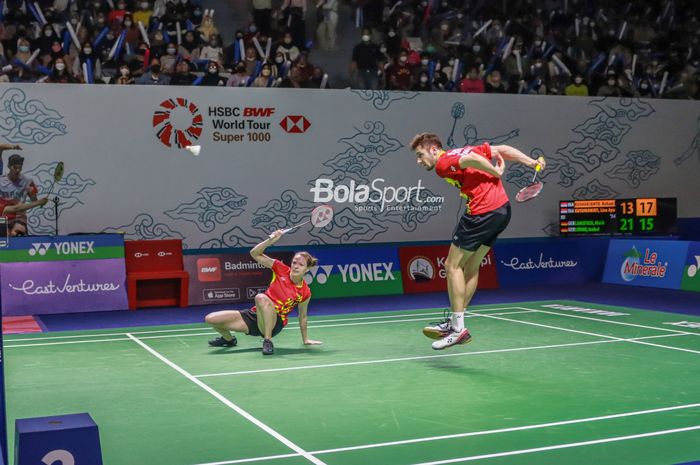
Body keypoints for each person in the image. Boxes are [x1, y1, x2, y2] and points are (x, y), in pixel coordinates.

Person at [409, 133, 545, 350]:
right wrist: (531, 162)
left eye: (420, 154)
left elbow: (470, 160)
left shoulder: (443, 163)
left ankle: (458, 329)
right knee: (471, 267)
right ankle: (455, 322)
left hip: (481, 212)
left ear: (433, 149)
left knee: (451, 266)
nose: (419, 160)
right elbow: (501, 149)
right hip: (501, 211)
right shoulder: (461, 150)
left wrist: (495, 171)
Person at [204, 230, 322, 355]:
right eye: (294, 262)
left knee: (261, 297)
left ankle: (267, 341)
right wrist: (271, 240)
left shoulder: (305, 292)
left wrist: (305, 339)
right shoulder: (280, 269)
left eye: (301, 264)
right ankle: (229, 340)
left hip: (275, 323)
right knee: (210, 319)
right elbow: (254, 253)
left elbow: (302, 317)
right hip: (256, 316)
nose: (296, 266)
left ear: (307, 269)